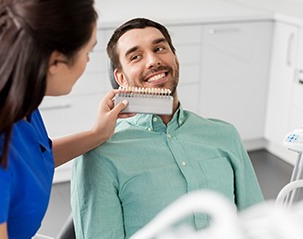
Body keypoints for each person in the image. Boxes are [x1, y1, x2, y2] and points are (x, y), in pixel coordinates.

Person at [71, 17, 264, 238]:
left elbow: (258, 222)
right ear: (120, 78)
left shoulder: (225, 135)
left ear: (176, 59)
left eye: (160, 48)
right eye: (136, 56)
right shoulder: (100, 156)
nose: (153, 60)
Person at [0, 0, 130, 238]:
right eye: (87, 52)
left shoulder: (17, 99)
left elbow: (34, 157)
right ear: (56, 62)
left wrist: (97, 134)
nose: (88, 62)